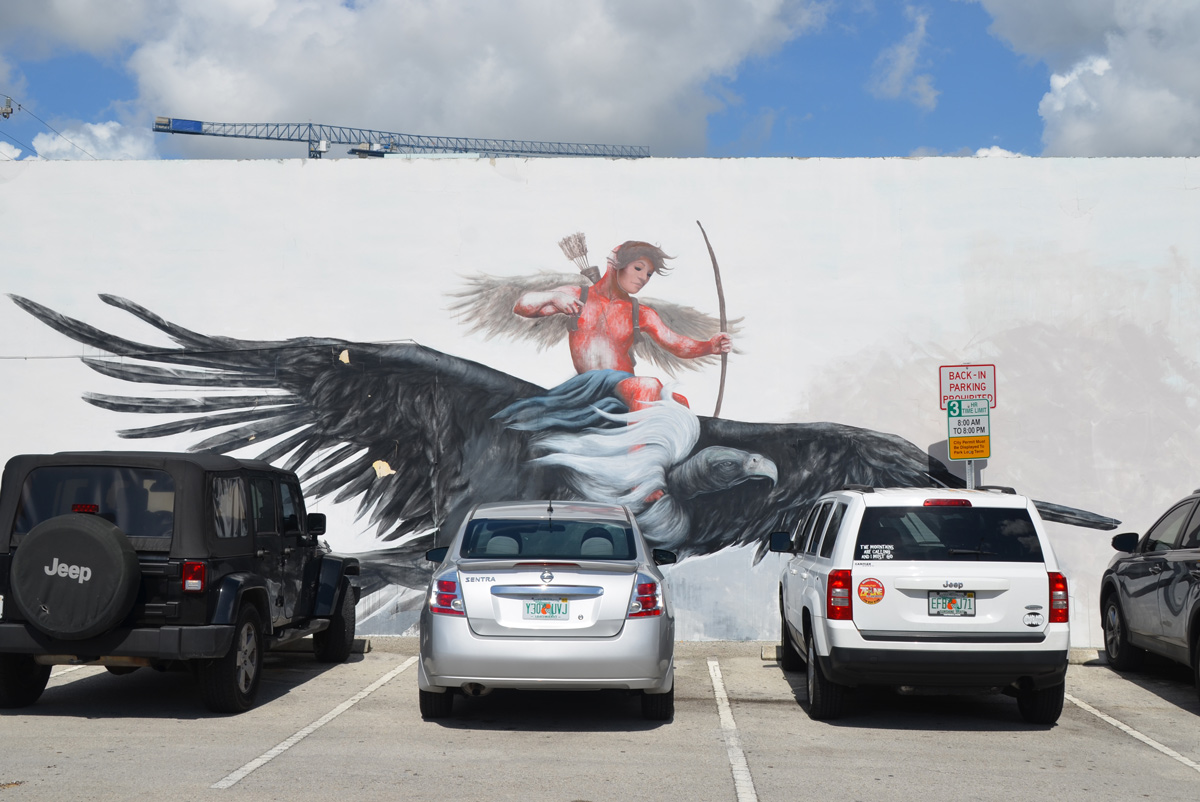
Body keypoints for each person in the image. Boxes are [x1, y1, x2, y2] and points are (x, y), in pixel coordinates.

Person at [512, 241, 731, 412]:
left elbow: (674, 342)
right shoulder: (578, 296)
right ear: (615, 262)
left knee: (679, 403)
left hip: (622, 385)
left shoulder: (640, 313)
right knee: (648, 386)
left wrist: (709, 346)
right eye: (638, 268)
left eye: (648, 274)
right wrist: (554, 297)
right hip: (589, 385)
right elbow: (522, 306)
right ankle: (638, 455)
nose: (643, 278)